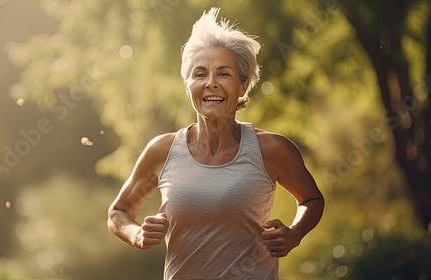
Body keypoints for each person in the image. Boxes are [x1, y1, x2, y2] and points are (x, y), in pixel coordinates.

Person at [108, 7, 324, 279]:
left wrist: (294, 234)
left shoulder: (272, 149)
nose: (211, 83)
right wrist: (137, 234)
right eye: (200, 74)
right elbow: (119, 212)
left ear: (243, 86)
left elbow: (312, 199)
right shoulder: (161, 151)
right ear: (187, 86)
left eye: (223, 74)